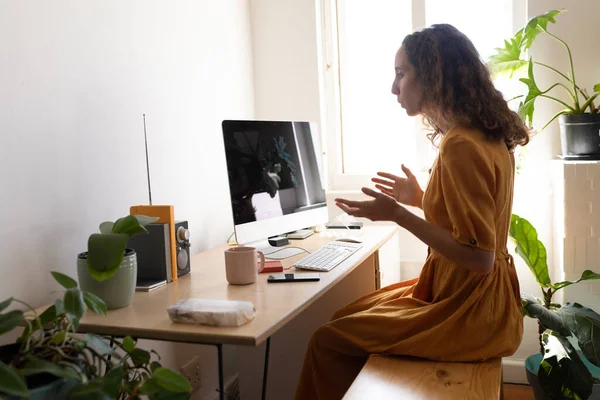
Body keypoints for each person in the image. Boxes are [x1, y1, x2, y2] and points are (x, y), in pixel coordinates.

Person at [294, 24, 529, 400]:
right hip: (478, 298)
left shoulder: (460, 145)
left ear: (434, 76)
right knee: (345, 319)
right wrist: (420, 199)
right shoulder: (483, 134)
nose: (394, 87)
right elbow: (472, 221)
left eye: (401, 74)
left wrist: (399, 215)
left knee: (328, 340)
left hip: (469, 308)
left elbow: (479, 257)